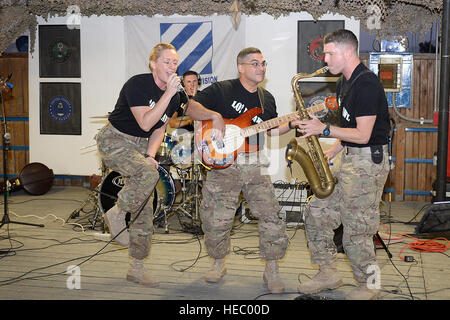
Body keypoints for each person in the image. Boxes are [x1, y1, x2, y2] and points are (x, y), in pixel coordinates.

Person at [95, 43, 224, 287]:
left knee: (145, 203)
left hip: (141, 146)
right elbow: (145, 122)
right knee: (146, 175)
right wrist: (168, 95)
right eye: (167, 62)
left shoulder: (175, 96)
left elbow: (160, 127)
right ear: (153, 64)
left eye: (175, 62)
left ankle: (137, 267)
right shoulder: (138, 85)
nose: (172, 67)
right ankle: (118, 212)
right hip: (115, 141)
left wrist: (151, 156)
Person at [188, 47, 297, 294]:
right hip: (223, 164)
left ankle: (272, 269)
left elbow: (271, 129)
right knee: (216, 219)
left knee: (271, 215)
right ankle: (218, 263)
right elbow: (190, 108)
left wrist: (292, 123)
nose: (261, 67)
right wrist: (215, 117)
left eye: (263, 63)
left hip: (254, 162)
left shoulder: (266, 98)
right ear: (241, 67)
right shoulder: (221, 90)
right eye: (255, 63)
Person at [292, 29, 390, 300]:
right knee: (316, 211)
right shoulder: (343, 83)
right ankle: (328, 273)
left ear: (348, 53)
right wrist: (333, 151)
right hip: (349, 158)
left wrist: (323, 130)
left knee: (357, 228)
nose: (325, 58)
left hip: (368, 163)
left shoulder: (367, 84)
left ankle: (370, 285)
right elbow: (348, 131)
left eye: (330, 53)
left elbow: (363, 135)